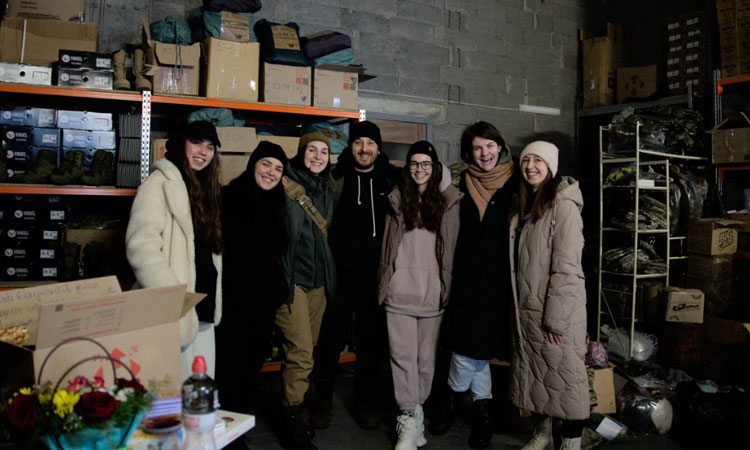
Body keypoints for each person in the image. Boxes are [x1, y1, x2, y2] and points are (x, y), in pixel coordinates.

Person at [430, 121, 517, 449]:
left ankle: (452, 400)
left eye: (490, 146)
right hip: (464, 278)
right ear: (469, 153)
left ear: (500, 146)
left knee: (474, 348)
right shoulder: (458, 182)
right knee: (470, 346)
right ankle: (483, 411)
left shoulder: (516, 181)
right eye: (478, 148)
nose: (485, 154)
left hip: (499, 281)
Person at [310, 120, 400, 430]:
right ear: (351, 147)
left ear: (378, 148)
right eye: (359, 143)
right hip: (339, 273)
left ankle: (365, 400)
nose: (364, 149)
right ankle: (321, 399)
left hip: (375, 276)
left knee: (369, 341)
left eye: (370, 144)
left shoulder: (391, 179)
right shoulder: (336, 177)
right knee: (331, 338)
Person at [377, 141, 462, 450]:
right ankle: (407, 418)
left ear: (435, 167)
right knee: (401, 357)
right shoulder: (398, 198)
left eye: (425, 164)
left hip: (433, 294)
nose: (419, 169)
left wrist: (447, 287)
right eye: (414, 164)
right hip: (400, 291)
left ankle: (418, 412)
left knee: (425, 359)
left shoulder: (450, 201)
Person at [126, 120, 223, 378]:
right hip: (175, 309)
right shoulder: (159, 184)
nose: (203, 152)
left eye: (210, 147)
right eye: (196, 143)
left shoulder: (206, 189)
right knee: (170, 392)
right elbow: (141, 246)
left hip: (203, 306)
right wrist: (172, 295)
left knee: (199, 387)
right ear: (182, 144)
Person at [510, 141, 588, 450]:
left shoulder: (564, 206)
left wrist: (555, 321)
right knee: (539, 379)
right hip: (530, 312)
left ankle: (571, 444)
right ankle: (541, 434)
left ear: (552, 167)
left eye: (538, 160)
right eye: (526, 159)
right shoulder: (529, 203)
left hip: (556, 314)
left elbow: (568, 269)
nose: (530, 165)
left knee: (567, 381)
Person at [215, 142, 289, 421]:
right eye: (266, 164)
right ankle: (224, 430)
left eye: (278, 168)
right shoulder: (229, 197)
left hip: (263, 306)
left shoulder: (279, 205)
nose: (271, 172)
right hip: (232, 305)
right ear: (253, 165)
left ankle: (237, 426)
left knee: (251, 369)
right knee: (229, 370)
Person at [276, 132, 337, 450]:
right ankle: (291, 423)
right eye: (311, 150)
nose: (317, 155)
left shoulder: (329, 188)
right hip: (292, 282)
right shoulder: (284, 184)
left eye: (323, 151)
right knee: (300, 353)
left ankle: (292, 406)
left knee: (305, 352)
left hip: (318, 283)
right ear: (300, 153)